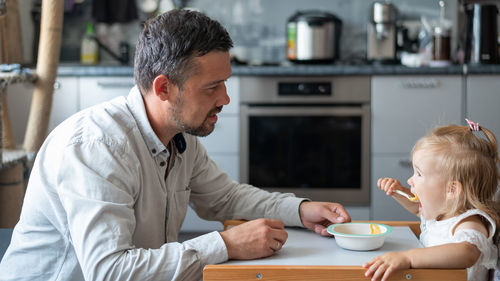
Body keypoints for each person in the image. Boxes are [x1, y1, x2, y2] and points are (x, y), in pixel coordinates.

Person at [0, 9, 351, 281]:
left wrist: (300, 209)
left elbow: (225, 199)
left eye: (225, 84)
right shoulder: (97, 146)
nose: (225, 98)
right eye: (212, 87)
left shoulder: (179, 136)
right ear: (164, 88)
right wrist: (226, 245)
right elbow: (110, 271)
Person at [363, 119, 500, 281]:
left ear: (452, 190)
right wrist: (398, 192)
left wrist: (409, 258)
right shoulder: (443, 212)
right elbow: (416, 208)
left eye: (418, 174)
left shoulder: (468, 223)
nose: (410, 180)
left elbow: (467, 252)